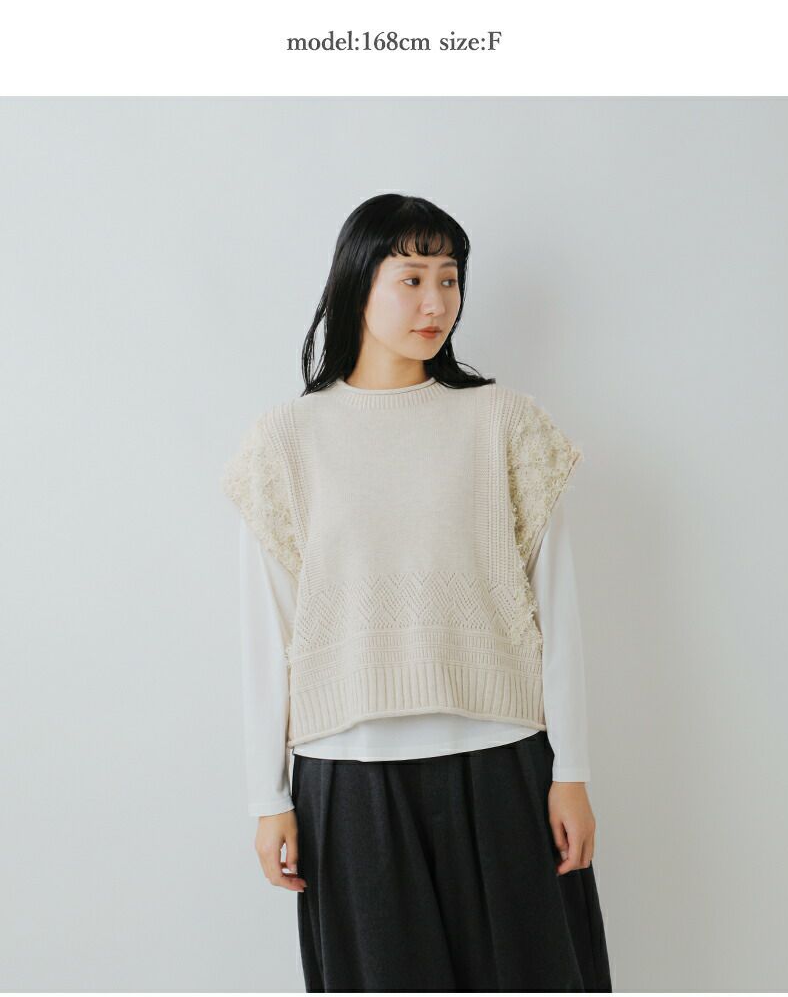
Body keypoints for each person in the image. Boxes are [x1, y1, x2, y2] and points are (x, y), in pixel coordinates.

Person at [221, 193, 613, 992]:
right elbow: (270, 631)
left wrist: (570, 769)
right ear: (356, 285)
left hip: (503, 765)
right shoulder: (286, 442)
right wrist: (268, 797)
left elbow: (557, 611)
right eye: (411, 279)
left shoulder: (505, 424)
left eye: (450, 278)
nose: (436, 302)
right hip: (349, 778)